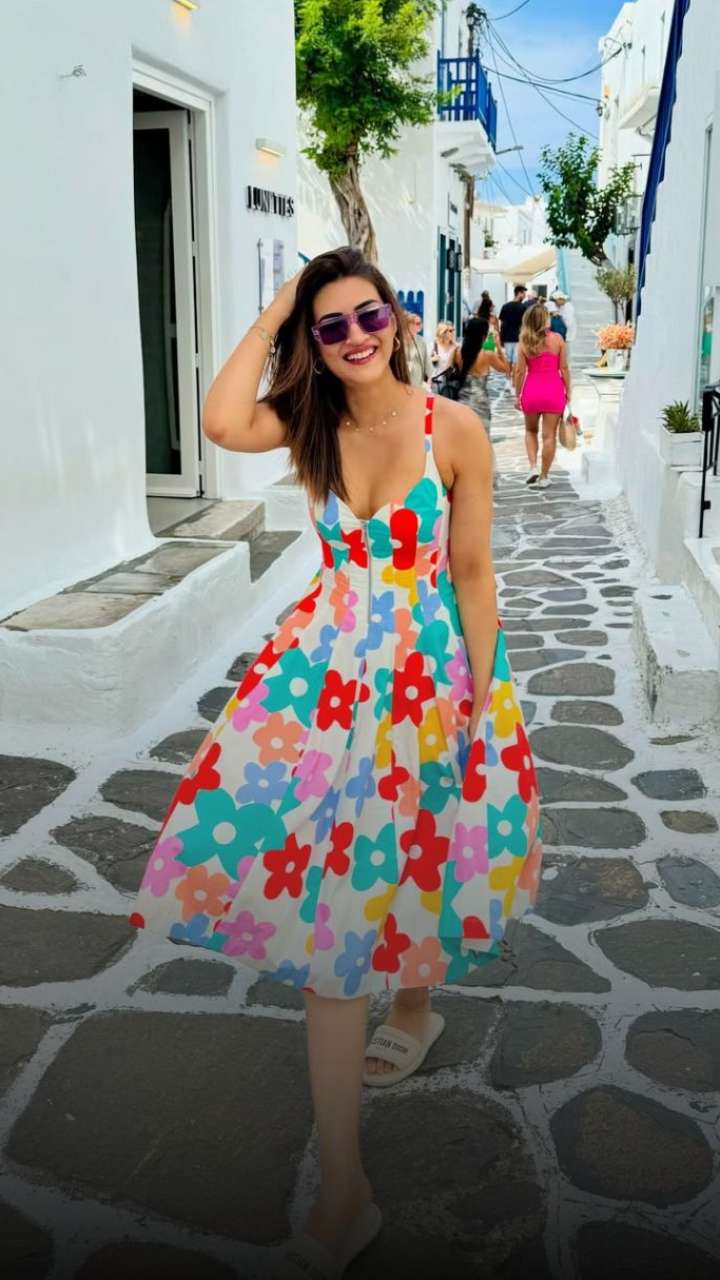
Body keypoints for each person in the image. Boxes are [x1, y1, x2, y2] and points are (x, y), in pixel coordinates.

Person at [130, 247, 542, 1277]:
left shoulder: (452, 428)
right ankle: (344, 1191)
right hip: (321, 686)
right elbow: (220, 421)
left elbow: (474, 573)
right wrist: (280, 305)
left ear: (395, 319)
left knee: (423, 852)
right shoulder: (310, 421)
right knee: (335, 914)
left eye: (369, 315)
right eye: (331, 325)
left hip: (429, 677)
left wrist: (482, 700)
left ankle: (415, 1004)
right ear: (311, 343)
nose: (356, 335)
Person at [515, 301, 571, 490]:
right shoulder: (558, 339)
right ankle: (544, 476)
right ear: (545, 319)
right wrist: (568, 391)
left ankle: (533, 467)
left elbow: (519, 372)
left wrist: (517, 395)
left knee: (531, 431)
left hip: (532, 390)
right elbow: (564, 368)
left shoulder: (524, 342)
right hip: (553, 390)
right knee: (549, 436)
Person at [453, 317, 510, 488]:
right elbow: (506, 369)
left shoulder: (458, 352)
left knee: (463, 441)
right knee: (484, 440)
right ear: (483, 335)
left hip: (462, 400)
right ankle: (487, 477)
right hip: (480, 403)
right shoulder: (487, 354)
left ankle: (464, 475)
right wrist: (498, 346)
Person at [499, 284, 528, 377]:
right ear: (519, 293)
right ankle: (514, 380)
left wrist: (501, 336)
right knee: (516, 360)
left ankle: (508, 378)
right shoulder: (523, 307)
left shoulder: (505, 306)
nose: (524, 296)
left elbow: (502, 322)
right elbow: (525, 324)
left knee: (508, 359)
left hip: (507, 337)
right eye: (523, 294)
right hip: (518, 337)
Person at [404, 310, 433, 388]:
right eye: (417, 323)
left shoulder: (421, 340)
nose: (420, 325)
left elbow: (426, 359)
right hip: (403, 379)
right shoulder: (400, 340)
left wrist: (430, 377)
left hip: (418, 380)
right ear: (408, 324)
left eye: (420, 323)